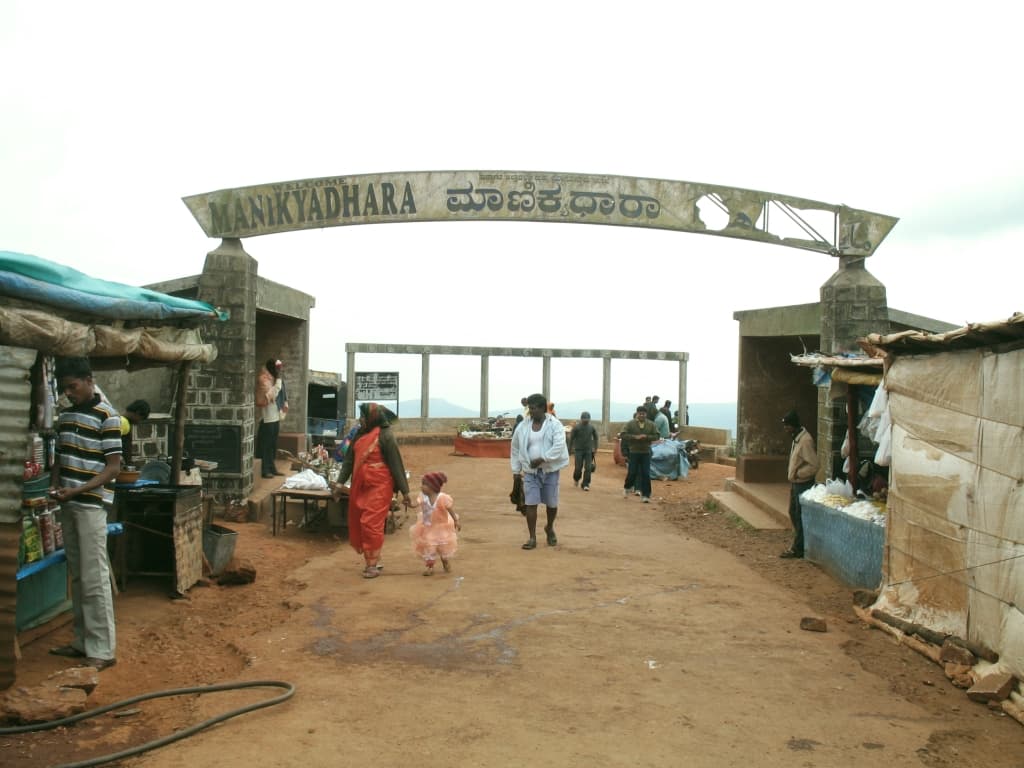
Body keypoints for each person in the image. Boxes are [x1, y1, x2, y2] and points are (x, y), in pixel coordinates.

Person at [47, 357, 121, 671]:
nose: (69, 393)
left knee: (95, 577)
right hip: (68, 503)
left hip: (91, 504)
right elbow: (59, 459)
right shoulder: (65, 416)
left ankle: (103, 650)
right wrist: (55, 487)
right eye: (64, 388)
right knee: (77, 575)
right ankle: (82, 642)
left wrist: (77, 490)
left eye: (73, 386)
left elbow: (113, 468)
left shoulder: (108, 416)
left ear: (89, 381)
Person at [332, 402, 412, 578]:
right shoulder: (359, 434)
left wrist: (405, 492)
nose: (360, 420)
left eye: (363, 416)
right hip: (361, 485)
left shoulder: (386, 436)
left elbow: (396, 464)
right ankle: (374, 557)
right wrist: (339, 484)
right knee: (362, 520)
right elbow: (349, 461)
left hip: (381, 486)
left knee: (370, 522)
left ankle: (372, 565)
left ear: (372, 418)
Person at [510, 393, 569, 549]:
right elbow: (515, 448)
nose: (531, 411)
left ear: (543, 408)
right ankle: (532, 537)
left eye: (534, 408)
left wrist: (543, 458)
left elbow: (559, 446)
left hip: (550, 470)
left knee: (552, 504)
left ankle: (549, 527)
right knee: (531, 503)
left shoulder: (555, 425)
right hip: (530, 472)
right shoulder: (523, 426)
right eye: (530, 408)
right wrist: (516, 471)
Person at [780, 409, 819, 559]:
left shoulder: (805, 441)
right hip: (796, 483)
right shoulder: (797, 439)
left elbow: (814, 465)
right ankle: (800, 542)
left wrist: (798, 474)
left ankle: (798, 548)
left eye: (787, 426)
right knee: (793, 512)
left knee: (799, 515)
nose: (785, 429)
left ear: (793, 425)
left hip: (803, 484)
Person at [409, 471, 460, 576]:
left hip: (442, 527)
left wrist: (456, 520)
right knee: (429, 547)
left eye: (424, 484)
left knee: (443, 547)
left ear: (433, 486)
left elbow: (450, 510)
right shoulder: (422, 497)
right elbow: (415, 504)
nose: (421, 486)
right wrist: (409, 504)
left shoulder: (443, 498)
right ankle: (430, 567)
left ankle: (445, 561)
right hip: (428, 527)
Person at [255, 358, 288, 478]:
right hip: (267, 418)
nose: (278, 371)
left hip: (275, 416)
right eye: (276, 368)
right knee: (267, 445)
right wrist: (278, 383)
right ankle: (265, 470)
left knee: (273, 445)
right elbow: (271, 395)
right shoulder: (264, 379)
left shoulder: (273, 378)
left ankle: (272, 468)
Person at [620, 405, 659, 503]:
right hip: (634, 452)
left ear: (646, 414)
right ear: (637, 414)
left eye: (643, 414)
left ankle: (646, 495)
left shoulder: (651, 424)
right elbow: (623, 434)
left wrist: (647, 437)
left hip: (646, 452)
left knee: (646, 473)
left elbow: (657, 435)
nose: (642, 415)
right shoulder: (630, 424)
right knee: (632, 472)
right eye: (640, 414)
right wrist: (635, 437)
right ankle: (627, 487)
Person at [567, 411, 599, 491]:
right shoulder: (576, 428)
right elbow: (571, 439)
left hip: (588, 450)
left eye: (587, 419)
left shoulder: (591, 427)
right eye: (584, 419)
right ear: (581, 419)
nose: (586, 421)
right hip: (578, 450)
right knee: (578, 467)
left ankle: (585, 484)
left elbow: (596, 437)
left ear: (589, 419)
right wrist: (569, 449)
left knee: (588, 468)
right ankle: (576, 478)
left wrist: (595, 448)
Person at [119, 399, 150, 467]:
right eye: (141, 418)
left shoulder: (123, 421)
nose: (139, 422)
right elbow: (113, 444)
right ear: (138, 412)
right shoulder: (123, 422)